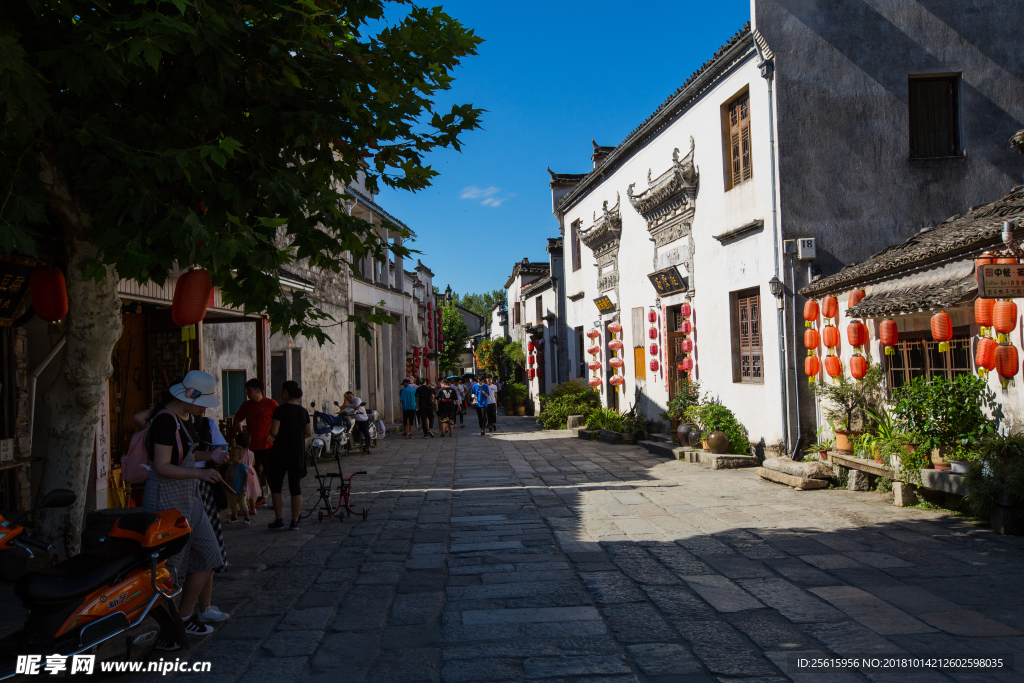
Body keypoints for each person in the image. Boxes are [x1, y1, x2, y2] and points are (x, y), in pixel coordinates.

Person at [140, 371, 226, 645]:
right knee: (170, 565)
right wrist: (200, 473)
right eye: (204, 402)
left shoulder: (186, 417)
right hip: (167, 498)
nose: (206, 408)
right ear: (189, 397)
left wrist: (208, 456)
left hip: (190, 496)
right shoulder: (165, 420)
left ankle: (185, 615)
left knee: (211, 553)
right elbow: (163, 467)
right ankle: (171, 625)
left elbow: (184, 457)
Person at [266, 381, 312, 530]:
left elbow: (274, 431)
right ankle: (295, 521)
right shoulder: (303, 411)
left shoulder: (280, 410)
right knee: (295, 487)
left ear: (285, 392)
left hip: (280, 452)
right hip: (297, 452)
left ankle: (279, 519)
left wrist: (277, 436)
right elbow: (308, 433)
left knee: (276, 487)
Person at [232, 378, 278, 507]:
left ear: (258, 390)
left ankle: (275, 498)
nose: (247, 393)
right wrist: (242, 435)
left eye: (249, 390)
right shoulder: (246, 405)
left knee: (270, 472)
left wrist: (274, 435)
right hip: (251, 446)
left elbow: (281, 420)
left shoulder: (271, 404)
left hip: (267, 445)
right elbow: (237, 420)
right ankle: (259, 497)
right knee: (253, 472)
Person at [234, 432, 260, 516]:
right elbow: (253, 463)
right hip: (251, 475)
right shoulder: (251, 453)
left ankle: (243, 509)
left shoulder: (239, 454)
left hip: (243, 475)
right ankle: (253, 509)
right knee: (251, 493)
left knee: (243, 493)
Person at [224, 447, 250, 524]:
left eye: (233, 455)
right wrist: (227, 482)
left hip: (241, 490)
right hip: (232, 490)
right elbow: (227, 476)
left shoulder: (242, 466)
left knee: (243, 504)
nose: (231, 457)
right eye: (230, 455)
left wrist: (244, 485)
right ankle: (234, 517)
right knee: (233, 504)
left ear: (239, 457)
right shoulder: (230, 468)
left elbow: (246, 476)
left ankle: (247, 517)